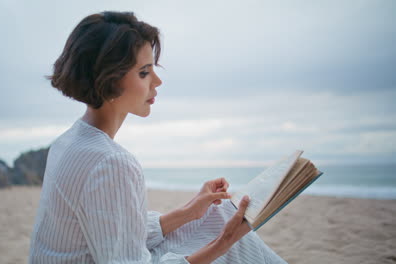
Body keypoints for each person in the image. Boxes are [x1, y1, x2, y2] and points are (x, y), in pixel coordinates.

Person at [28, 11, 286, 264]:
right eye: (144, 72)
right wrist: (225, 242)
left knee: (216, 215)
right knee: (231, 243)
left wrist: (190, 211)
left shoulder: (68, 142)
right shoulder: (112, 162)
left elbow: (115, 233)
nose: (158, 81)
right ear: (109, 80)